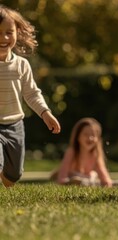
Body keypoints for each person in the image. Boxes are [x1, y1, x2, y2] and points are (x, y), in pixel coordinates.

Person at [0, 5, 61, 187]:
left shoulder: (21, 65)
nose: (3, 38)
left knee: (14, 174)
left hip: (14, 124)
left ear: (17, 32)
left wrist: (45, 113)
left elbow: (31, 93)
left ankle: (7, 179)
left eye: (8, 32)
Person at [55, 118, 118, 187]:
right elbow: (61, 179)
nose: (90, 138)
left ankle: (90, 183)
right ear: (78, 136)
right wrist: (68, 181)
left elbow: (104, 176)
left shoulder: (95, 154)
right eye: (86, 134)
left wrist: (107, 182)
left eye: (93, 135)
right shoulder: (72, 152)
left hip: (87, 178)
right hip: (71, 177)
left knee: (93, 175)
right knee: (76, 178)